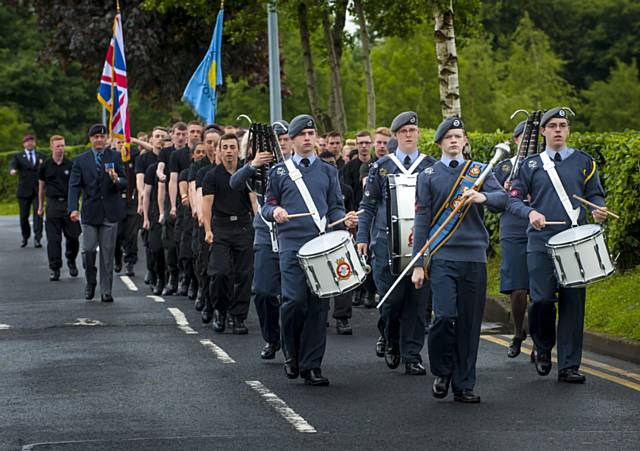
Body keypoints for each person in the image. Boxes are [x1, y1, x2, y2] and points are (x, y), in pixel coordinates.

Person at [508, 107, 608, 383]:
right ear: (543, 132)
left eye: (563, 125)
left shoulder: (585, 162)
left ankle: (569, 365)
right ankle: (542, 348)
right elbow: (513, 200)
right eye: (552, 126)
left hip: (575, 240)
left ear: (568, 130)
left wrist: (599, 209)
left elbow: (595, 195)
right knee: (540, 300)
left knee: (573, 304)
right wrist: (530, 213)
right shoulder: (530, 165)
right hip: (540, 242)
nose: (558, 130)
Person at [411, 117, 507, 403]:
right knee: (444, 317)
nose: (454, 141)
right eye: (449, 137)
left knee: (469, 323)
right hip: (442, 257)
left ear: (465, 141)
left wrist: (482, 197)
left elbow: (503, 200)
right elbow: (422, 219)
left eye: (459, 136)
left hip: (474, 257)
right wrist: (419, 263)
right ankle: (442, 371)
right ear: (440, 142)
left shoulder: (479, 171)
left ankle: (464, 384)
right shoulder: (427, 176)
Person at [262, 114, 358, 386]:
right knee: (293, 302)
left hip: (322, 245)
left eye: (310, 134)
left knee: (318, 306)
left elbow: (335, 206)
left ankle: (312, 365)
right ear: (291, 140)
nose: (307, 138)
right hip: (292, 245)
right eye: (301, 134)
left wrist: (344, 221)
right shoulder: (278, 172)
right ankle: (291, 353)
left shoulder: (328, 171)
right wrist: (276, 211)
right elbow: (267, 206)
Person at [356, 111, 435, 376]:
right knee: (391, 301)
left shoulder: (430, 165)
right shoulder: (382, 166)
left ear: (418, 134)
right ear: (396, 136)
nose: (409, 135)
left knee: (417, 302)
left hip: (421, 247)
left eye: (413, 130)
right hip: (385, 246)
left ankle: (412, 354)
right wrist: (363, 237)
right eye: (403, 132)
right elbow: (367, 206)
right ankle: (390, 338)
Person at [230, 121, 292, 358]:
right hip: (266, 233)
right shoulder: (261, 165)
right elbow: (235, 183)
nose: (282, 143)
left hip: (293, 234)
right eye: (279, 139)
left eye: (286, 138)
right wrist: (252, 164)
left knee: (291, 294)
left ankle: (290, 343)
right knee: (264, 291)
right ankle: (271, 338)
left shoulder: (299, 165)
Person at [202, 134, 256, 334]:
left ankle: (238, 316)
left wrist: (258, 224)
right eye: (225, 147)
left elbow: (254, 202)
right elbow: (207, 205)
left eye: (232, 147)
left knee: (243, 274)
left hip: (242, 226)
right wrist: (208, 230)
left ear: (237, 149)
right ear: (219, 150)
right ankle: (220, 310)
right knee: (220, 272)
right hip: (221, 228)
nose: (229, 151)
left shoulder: (246, 172)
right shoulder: (212, 175)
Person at [68, 124, 127, 302]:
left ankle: (106, 291)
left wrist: (117, 179)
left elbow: (125, 182)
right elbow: (74, 186)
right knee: (88, 250)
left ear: (106, 138)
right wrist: (73, 208)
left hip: (110, 212)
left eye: (102, 137)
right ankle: (90, 281)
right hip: (90, 213)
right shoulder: (81, 160)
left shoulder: (115, 156)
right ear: (91, 139)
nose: (99, 140)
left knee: (107, 254)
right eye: (96, 137)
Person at [494, 120, 531, 358]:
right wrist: (504, 191)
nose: (527, 144)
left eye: (531, 140)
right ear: (516, 140)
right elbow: (494, 202)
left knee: (540, 291)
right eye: (523, 139)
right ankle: (518, 332)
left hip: (540, 227)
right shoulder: (505, 167)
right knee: (517, 289)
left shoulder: (543, 165)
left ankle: (541, 342)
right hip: (513, 229)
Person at [318, 150, 356, 335]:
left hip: (340, 236)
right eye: (325, 163)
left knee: (343, 274)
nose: (329, 167)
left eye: (332, 163)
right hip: (321, 236)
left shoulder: (346, 189)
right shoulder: (313, 188)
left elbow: (350, 212)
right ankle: (321, 314)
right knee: (322, 276)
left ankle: (342, 317)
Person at [36, 135, 81, 281]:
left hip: (68, 204)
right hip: (53, 204)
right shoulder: (45, 166)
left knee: (74, 236)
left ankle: (71, 259)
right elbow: (41, 187)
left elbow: (76, 186)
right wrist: (40, 206)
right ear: (51, 147)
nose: (61, 149)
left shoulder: (71, 164)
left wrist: (76, 206)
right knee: (53, 239)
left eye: (62, 146)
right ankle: (55, 268)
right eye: (58, 146)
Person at [9, 134, 45, 248]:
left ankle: (37, 238)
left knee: (38, 214)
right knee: (24, 216)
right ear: (24, 144)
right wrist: (13, 170)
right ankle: (25, 236)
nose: (30, 143)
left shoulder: (41, 156)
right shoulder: (18, 156)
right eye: (27, 141)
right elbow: (13, 165)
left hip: (37, 191)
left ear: (35, 143)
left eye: (32, 141)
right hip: (24, 191)